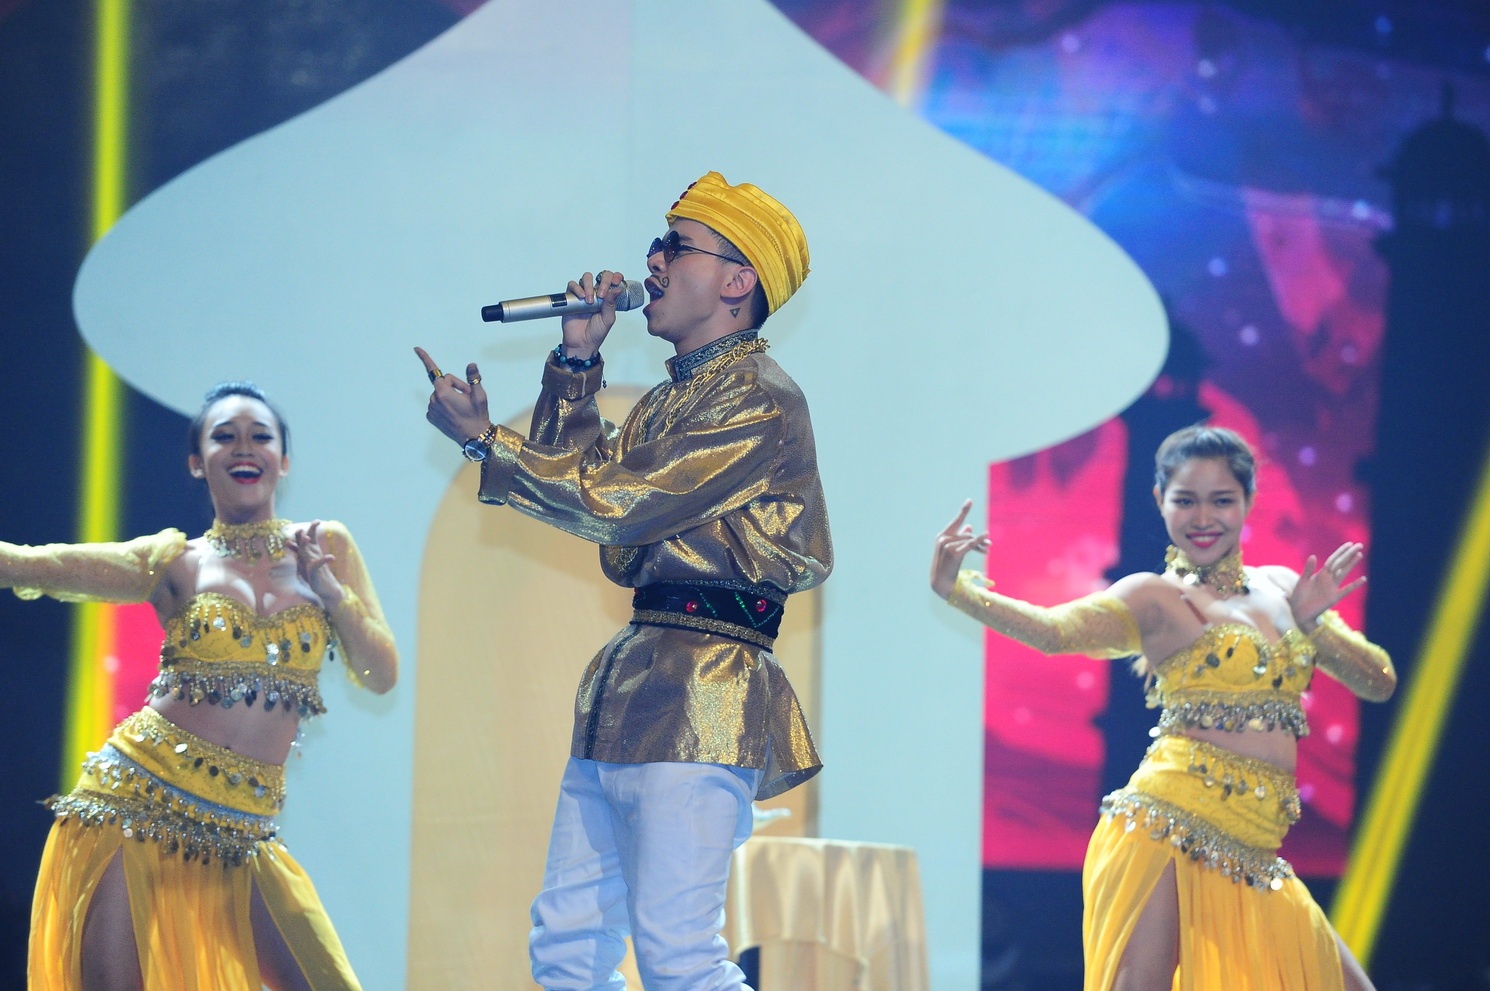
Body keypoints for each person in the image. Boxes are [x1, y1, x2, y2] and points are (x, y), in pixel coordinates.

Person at [416, 170, 830, 991]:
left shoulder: (759, 398)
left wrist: (486, 445)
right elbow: (588, 487)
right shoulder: (670, 401)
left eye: (676, 245)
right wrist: (576, 360)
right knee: (569, 951)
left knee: (680, 956)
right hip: (631, 688)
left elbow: (617, 503)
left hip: (706, 693)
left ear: (737, 282)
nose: (652, 261)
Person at [930, 425, 1395, 991]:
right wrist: (959, 591)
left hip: (1256, 851)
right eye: (1186, 500)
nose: (1204, 517)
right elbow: (1054, 631)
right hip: (1168, 828)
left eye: (1221, 500)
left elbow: (1379, 682)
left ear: (1248, 500)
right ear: (1159, 500)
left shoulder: (1286, 588)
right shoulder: (1152, 596)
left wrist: (1314, 624)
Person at [5, 382, 398, 991]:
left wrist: (332, 593)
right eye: (224, 437)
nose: (244, 447)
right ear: (197, 462)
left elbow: (380, 673)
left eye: (260, 436)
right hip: (133, 808)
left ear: (283, 461)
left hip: (243, 834)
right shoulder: (174, 562)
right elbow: (41, 565)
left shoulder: (326, 546)